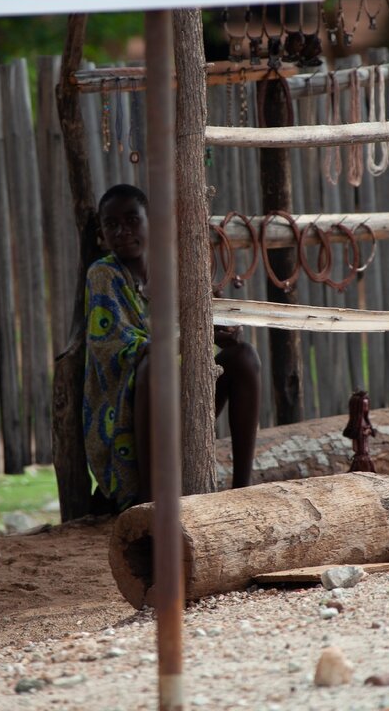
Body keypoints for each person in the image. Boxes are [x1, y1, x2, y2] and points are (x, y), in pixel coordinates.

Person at [83, 184, 261, 512]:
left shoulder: (177, 272)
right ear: (102, 232)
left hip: (187, 401)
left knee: (245, 357)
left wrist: (224, 331)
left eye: (132, 220)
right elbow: (119, 347)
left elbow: (209, 314)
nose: (122, 231)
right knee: (154, 366)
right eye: (112, 224)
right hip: (131, 415)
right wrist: (194, 339)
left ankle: (241, 491)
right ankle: (152, 503)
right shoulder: (104, 275)